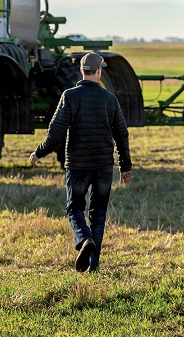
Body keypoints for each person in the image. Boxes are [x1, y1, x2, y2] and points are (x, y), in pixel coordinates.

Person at [29, 52, 134, 273]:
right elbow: (122, 134)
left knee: (74, 208)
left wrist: (39, 153)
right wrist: (125, 166)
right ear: (98, 71)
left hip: (77, 165)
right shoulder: (110, 99)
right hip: (104, 165)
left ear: (81, 71)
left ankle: (84, 239)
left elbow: (55, 132)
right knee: (98, 213)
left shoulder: (70, 96)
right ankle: (93, 264)